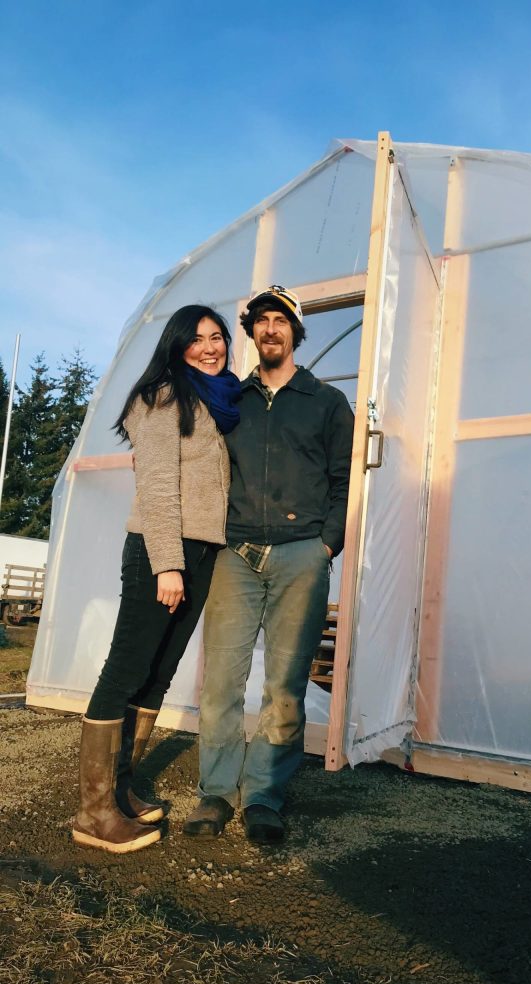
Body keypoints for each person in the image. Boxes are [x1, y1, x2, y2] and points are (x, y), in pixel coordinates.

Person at [183, 284, 354, 844]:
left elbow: (345, 481)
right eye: (261, 322)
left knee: (284, 684)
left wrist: (326, 543)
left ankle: (263, 796)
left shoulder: (326, 403)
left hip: (302, 554)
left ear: (295, 332)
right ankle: (216, 791)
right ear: (252, 334)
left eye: (280, 321)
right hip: (235, 553)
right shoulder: (232, 400)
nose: (270, 330)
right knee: (221, 680)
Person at [72, 305, 241, 854]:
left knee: (158, 672)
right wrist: (167, 563)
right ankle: (94, 812)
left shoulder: (214, 402)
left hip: (200, 552)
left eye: (217, 337)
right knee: (127, 667)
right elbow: (158, 488)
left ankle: (121, 787)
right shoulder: (163, 397)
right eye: (197, 339)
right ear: (176, 346)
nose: (210, 347)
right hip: (159, 551)